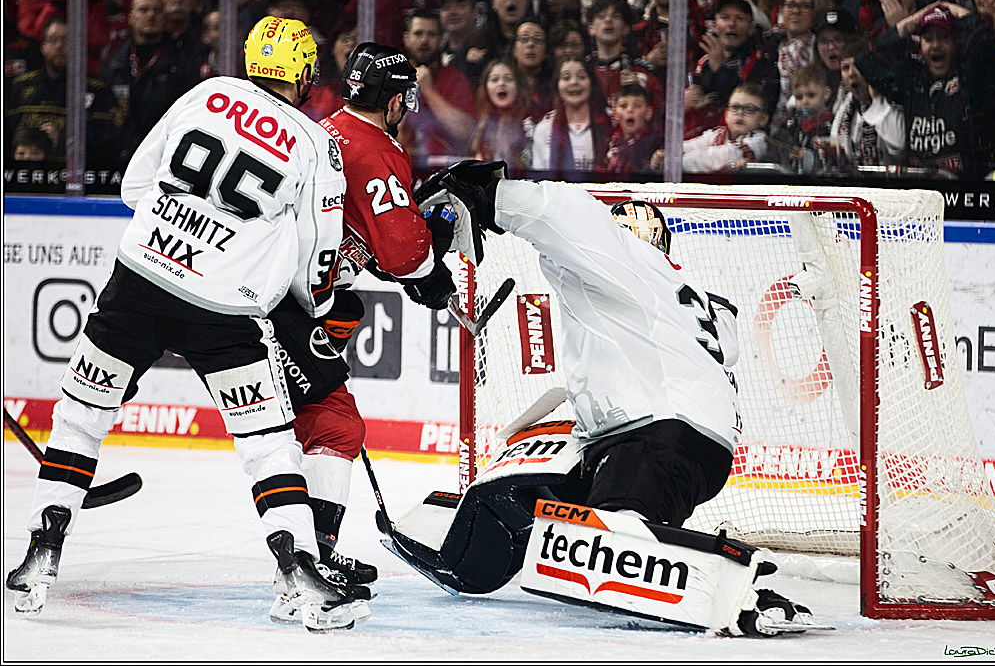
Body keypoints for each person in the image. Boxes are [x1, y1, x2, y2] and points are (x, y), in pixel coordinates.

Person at [6, 16, 370, 633]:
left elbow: (134, 186)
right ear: (306, 74)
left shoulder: (206, 93)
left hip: (138, 284)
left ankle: (43, 550)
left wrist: (181, 229)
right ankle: (299, 570)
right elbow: (319, 260)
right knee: (266, 442)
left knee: (81, 416)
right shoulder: (315, 143)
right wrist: (307, 299)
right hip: (223, 309)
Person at [382, 160, 822, 636]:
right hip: (673, 441)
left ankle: (745, 596)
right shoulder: (681, 293)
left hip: (655, 436)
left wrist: (490, 196)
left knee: (612, 540)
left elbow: (564, 212)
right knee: (537, 497)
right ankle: (495, 541)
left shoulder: (628, 259)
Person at [262, 41, 457, 624]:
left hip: (277, 296)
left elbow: (353, 232)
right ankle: (304, 570)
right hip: (286, 308)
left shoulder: (325, 130)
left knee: (319, 424)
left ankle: (311, 558)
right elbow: (402, 251)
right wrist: (431, 264)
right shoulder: (375, 148)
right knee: (332, 425)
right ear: (395, 99)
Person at [856, 2, 995, 177]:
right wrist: (914, 20)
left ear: (956, 42)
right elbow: (865, 59)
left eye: (944, 37)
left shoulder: (972, 77)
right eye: (928, 39)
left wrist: (959, 13)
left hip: (970, 185)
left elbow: (985, 40)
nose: (935, 45)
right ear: (920, 46)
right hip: (923, 187)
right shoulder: (913, 82)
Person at [6, 14, 123, 170]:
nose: (59, 46)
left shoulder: (98, 89)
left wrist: (65, 139)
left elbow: (112, 143)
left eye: (67, 40)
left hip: (77, 175)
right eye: (53, 40)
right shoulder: (21, 85)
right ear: (43, 46)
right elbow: (7, 135)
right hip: (27, 176)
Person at [104, 0, 203, 170]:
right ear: (131, 17)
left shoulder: (183, 61)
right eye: (144, 10)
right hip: (119, 154)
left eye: (157, 10)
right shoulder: (114, 60)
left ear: (165, 18)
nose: (151, 15)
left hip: (162, 154)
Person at [690, 0, 781, 139]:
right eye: (725, 18)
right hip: (705, 138)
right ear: (714, 26)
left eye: (740, 18)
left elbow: (751, 105)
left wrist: (720, 70)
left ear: (751, 28)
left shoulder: (763, 61)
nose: (732, 24)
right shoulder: (703, 62)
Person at [399, 8, 477, 161]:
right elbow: (384, 133)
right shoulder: (391, 78)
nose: (424, 40)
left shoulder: (456, 79)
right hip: (402, 165)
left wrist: (428, 90)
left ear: (441, 39)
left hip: (444, 167)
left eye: (431, 34)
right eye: (418, 34)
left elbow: (466, 132)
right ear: (406, 38)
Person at [830, 37, 905, 172]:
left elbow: (899, 147)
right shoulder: (846, 105)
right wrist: (831, 152)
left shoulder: (891, 102)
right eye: (845, 68)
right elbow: (834, 140)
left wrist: (876, 99)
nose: (851, 73)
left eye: (858, 66)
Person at [587, 0, 665, 118]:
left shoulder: (643, 73)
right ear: (591, 28)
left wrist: (640, 93)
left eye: (616, 16)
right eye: (601, 16)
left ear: (626, 28)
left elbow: (659, 116)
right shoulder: (582, 71)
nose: (608, 20)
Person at [531, 56, 613, 173]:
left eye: (581, 77)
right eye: (566, 77)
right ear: (557, 85)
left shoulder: (610, 123)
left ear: (591, 82)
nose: (574, 82)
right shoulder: (544, 128)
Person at [769, 0, 825, 136]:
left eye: (805, 6)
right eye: (790, 5)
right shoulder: (772, 42)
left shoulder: (814, 45)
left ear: (815, 10)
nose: (796, 11)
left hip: (800, 128)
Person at [682, 82, 770, 173]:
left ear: (762, 119)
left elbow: (725, 156)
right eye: (735, 107)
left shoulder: (759, 140)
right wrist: (674, 153)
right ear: (726, 114)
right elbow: (690, 146)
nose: (740, 113)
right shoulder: (717, 133)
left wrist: (680, 163)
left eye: (749, 109)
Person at [773, 65, 835, 174]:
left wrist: (807, 157)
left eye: (811, 95)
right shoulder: (793, 122)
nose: (804, 101)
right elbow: (780, 146)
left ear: (826, 93)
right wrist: (788, 153)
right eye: (799, 97)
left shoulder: (832, 125)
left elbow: (833, 159)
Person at [472, 58, 532, 170]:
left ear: (518, 86)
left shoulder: (529, 123)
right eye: (494, 80)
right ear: (485, 88)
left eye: (508, 79)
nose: (501, 84)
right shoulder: (481, 123)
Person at [598, 82, 664, 173]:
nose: (630, 110)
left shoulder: (656, 144)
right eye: (623, 106)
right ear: (615, 114)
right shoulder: (609, 142)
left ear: (648, 113)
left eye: (637, 106)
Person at [511, 20, 555, 125]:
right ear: (514, 49)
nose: (530, 44)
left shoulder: (555, 86)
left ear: (546, 51)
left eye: (538, 40)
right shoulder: (504, 85)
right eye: (524, 38)